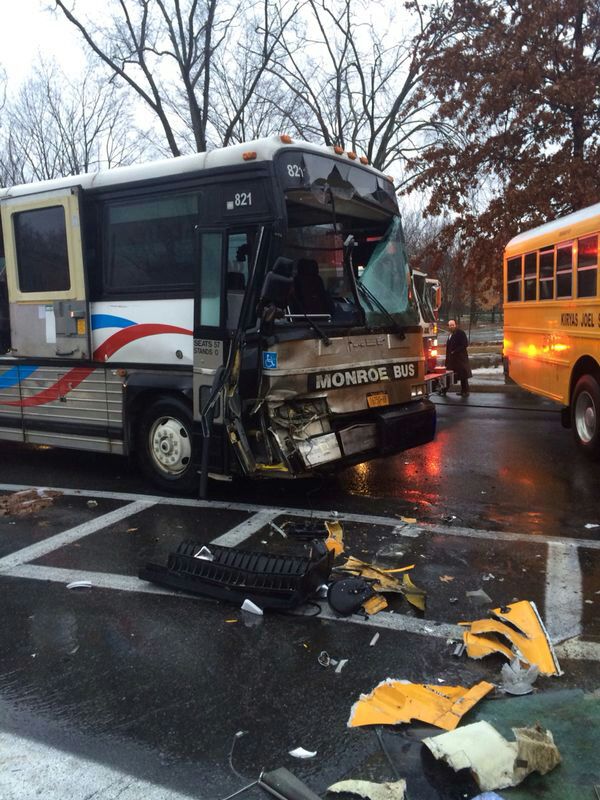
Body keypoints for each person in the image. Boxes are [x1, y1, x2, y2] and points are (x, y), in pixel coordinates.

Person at [443, 319, 472, 396]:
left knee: (463, 376)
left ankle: (465, 392)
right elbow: (448, 348)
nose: (451, 326)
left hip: (460, 359)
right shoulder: (450, 334)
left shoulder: (460, 333)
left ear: (456, 325)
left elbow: (465, 344)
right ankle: (444, 391)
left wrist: (455, 351)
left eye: (453, 325)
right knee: (450, 375)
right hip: (452, 360)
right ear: (448, 326)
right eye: (450, 325)